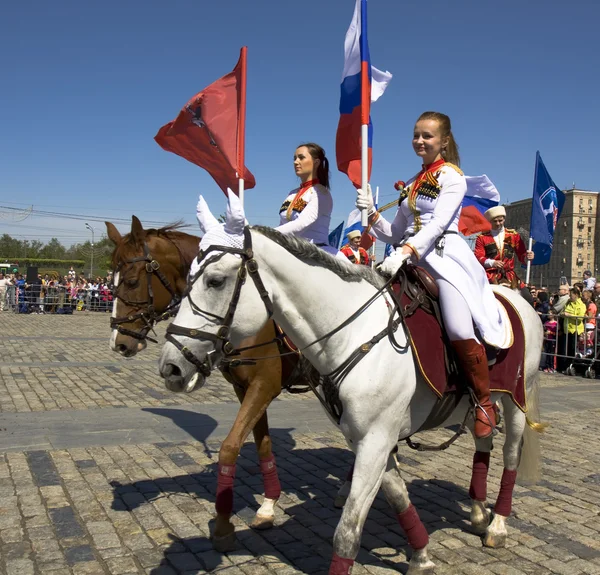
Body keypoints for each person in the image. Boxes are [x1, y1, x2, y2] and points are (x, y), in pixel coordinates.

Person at [356, 111, 511, 439]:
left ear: (444, 141)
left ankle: (483, 401)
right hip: (409, 257)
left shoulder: (453, 177)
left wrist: (408, 250)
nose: (420, 141)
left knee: (457, 325)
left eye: (427, 136)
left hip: (444, 258)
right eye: (416, 135)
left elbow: (439, 223)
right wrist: (370, 212)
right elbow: (392, 231)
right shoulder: (412, 184)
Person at [275, 143, 344, 259]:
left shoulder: (321, 193)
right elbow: (283, 224)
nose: (296, 162)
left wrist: (266, 233)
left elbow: (302, 224)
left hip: (317, 252)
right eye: (295, 158)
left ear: (316, 163)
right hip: (290, 249)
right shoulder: (291, 194)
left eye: (301, 158)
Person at [474, 205, 534, 301]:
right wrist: (492, 263)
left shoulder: (514, 235)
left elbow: (521, 254)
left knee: (528, 298)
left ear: (504, 219)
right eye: (495, 221)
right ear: (490, 222)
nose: (498, 223)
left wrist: (528, 256)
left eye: (500, 220)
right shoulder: (482, 238)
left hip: (510, 275)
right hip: (489, 275)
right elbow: (478, 257)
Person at [557, 287, 586, 373]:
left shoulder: (581, 305)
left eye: (571, 295)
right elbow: (562, 312)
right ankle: (564, 366)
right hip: (567, 329)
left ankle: (571, 366)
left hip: (575, 330)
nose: (570, 297)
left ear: (576, 295)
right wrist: (563, 314)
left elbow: (580, 318)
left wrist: (569, 315)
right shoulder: (568, 303)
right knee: (565, 349)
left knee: (572, 349)